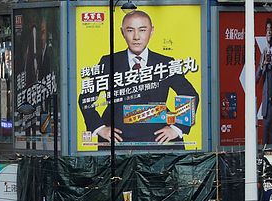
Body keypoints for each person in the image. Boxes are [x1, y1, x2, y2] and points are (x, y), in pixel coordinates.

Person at [78, 10, 199, 147]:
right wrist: (100, 128)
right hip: (118, 141)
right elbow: (85, 98)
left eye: (142, 30)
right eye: (130, 30)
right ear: (122, 32)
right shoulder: (108, 62)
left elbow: (190, 94)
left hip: (157, 140)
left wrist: (176, 128)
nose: (136, 37)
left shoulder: (166, 63)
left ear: (151, 31)